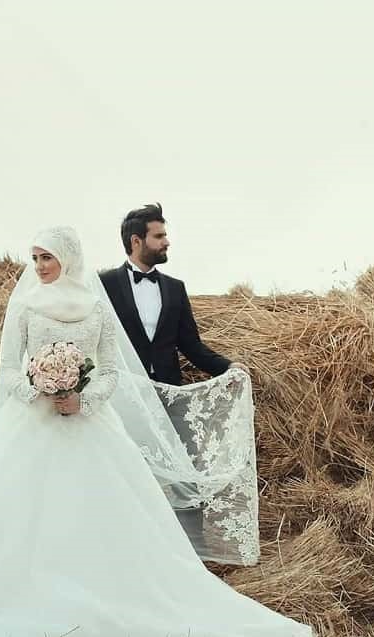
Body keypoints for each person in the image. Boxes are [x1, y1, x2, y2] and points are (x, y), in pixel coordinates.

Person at [0, 226, 311, 637]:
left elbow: (111, 372)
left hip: (90, 423)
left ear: (67, 258)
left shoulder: (96, 308)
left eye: (46, 257)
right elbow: (8, 370)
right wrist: (39, 389)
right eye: (34, 258)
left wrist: (81, 398)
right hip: (32, 423)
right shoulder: (26, 307)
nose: (39, 266)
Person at [100, 202, 247, 554]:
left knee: (185, 472)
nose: (167, 242)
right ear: (137, 241)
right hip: (123, 399)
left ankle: (193, 552)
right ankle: (125, 548)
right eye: (159, 236)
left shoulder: (175, 288)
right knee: (122, 472)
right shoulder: (104, 285)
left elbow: (191, 345)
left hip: (171, 397)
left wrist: (229, 368)